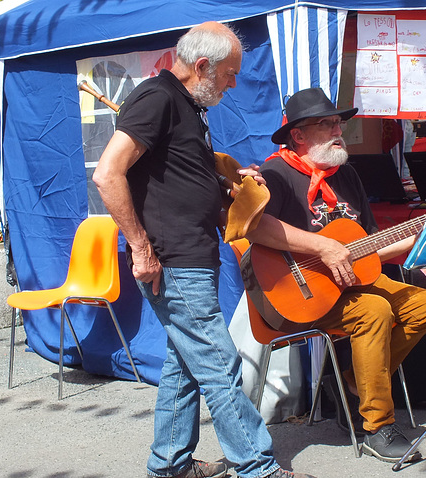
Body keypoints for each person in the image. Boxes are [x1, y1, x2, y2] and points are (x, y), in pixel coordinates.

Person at [93, 22, 314, 478]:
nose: (233, 83)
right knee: (218, 363)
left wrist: (230, 180)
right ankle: (256, 467)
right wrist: (140, 249)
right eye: (230, 73)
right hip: (173, 259)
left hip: (190, 255)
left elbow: (178, 175)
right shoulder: (157, 99)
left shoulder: (186, 106)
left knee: (185, 365)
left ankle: (169, 465)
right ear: (201, 66)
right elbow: (107, 174)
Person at [246, 88, 426, 463]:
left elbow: (365, 247)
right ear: (299, 135)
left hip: (350, 280)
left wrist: (411, 239)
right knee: (374, 312)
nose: (339, 130)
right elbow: (254, 229)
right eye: (327, 124)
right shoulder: (275, 173)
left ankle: (354, 378)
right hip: (297, 291)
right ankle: (377, 425)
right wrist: (322, 248)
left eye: (338, 122)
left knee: (425, 303)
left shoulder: (346, 175)